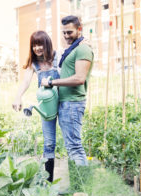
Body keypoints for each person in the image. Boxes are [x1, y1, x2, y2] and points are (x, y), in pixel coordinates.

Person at [41, 15, 93, 167]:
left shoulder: (83, 48)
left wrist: (51, 82)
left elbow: (79, 78)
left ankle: (82, 186)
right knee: (72, 147)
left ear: (79, 29)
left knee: (75, 147)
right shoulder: (76, 47)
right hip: (67, 103)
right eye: (63, 32)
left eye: (69, 32)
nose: (66, 36)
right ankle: (80, 186)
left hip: (72, 104)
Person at [12, 31, 60, 183]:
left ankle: (77, 182)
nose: (37, 48)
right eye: (34, 45)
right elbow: (26, 81)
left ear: (47, 43)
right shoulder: (34, 63)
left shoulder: (58, 57)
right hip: (47, 107)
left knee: (71, 141)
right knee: (49, 143)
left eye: (39, 44)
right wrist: (18, 96)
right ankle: (48, 183)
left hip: (64, 103)